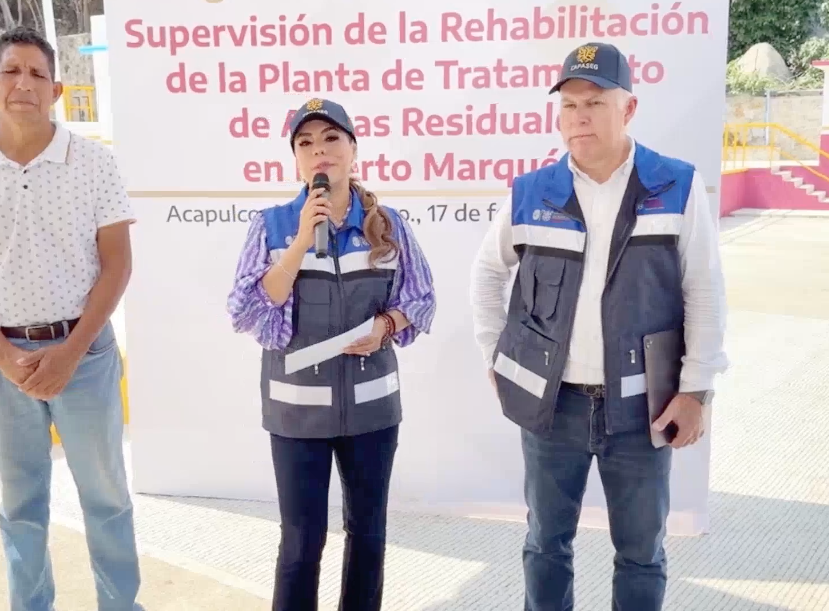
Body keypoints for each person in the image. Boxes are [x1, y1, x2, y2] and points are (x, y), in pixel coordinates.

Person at [469, 42, 728, 611]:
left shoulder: (676, 187)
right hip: (551, 407)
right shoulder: (531, 192)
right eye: (567, 105)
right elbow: (488, 275)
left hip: (641, 408)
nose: (578, 116)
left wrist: (695, 390)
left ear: (628, 108)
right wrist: (497, 356)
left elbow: (704, 291)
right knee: (545, 544)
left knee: (640, 552)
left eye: (594, 102)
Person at [0, 27, 143, 611]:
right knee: (21, 502)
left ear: (58, 89)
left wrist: (70, 352)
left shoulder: (94, 163)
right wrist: (6, 358)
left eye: (38, 74)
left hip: (85, 354)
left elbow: (117, 264)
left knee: (107, 498)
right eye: (12, 71)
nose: (25, 84)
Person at [227, 97, 436, 611]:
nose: (319, 152)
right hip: (297, 413)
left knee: (368, 535)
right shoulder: (273, 225)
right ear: (296, 161)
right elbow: (248, 310)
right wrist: (300, 242)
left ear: (353, 150)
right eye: (305, 143)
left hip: (372, 409)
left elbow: (421, 299)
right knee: (301, 543)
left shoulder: (387, 225)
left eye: (330, 139)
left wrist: (386, 326)